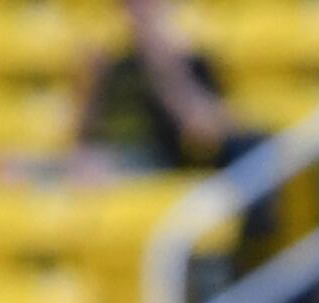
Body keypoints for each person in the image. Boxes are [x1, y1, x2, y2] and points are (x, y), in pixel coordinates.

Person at [76, 0, 235, 174]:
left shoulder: (192, 58)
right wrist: (91, 83)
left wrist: (164, 64)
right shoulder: (113, 61)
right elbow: (84, 135)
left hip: (159, 164)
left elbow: (204, 133)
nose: (137, 10)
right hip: (106, 160)